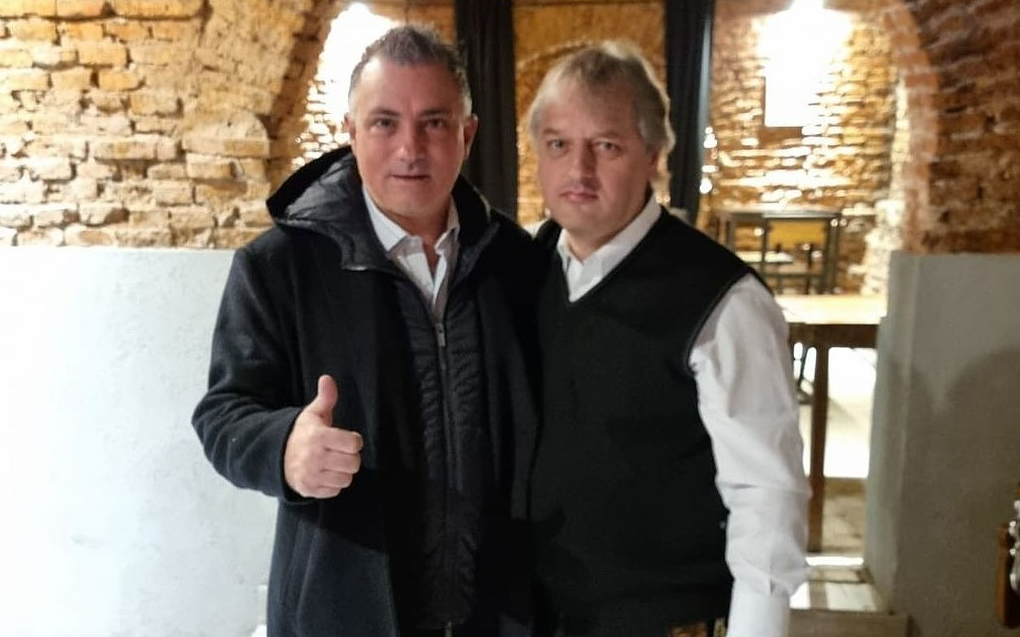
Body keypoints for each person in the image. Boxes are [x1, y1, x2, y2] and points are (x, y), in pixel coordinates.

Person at [192, 25, 539, 637]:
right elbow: (223, 415)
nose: (410, 148)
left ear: (467, 134)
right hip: (344, 614)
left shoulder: (514, 262)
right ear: (350, 132)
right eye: (384, 123)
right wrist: (283, 448)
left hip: (497, 614)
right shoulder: (279, 267)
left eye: (434, 123)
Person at [525, 42, 810, 637]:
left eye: (606, 146)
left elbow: (766, 494)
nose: (578, 170)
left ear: (653, 155)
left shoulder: (722, 301)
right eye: (558, 145)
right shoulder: (523, 271)